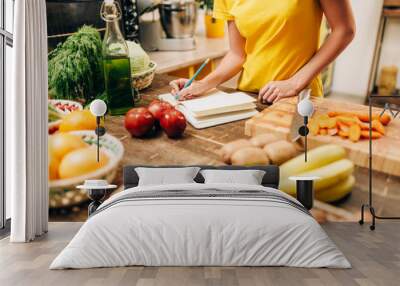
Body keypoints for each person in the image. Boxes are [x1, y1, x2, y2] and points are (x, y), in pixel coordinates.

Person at [170, 0, 355, 104]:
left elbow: (344, 30)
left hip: (298, 98)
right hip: (249, 99)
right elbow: (237, 54)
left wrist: (294, 83)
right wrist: (203, 84)